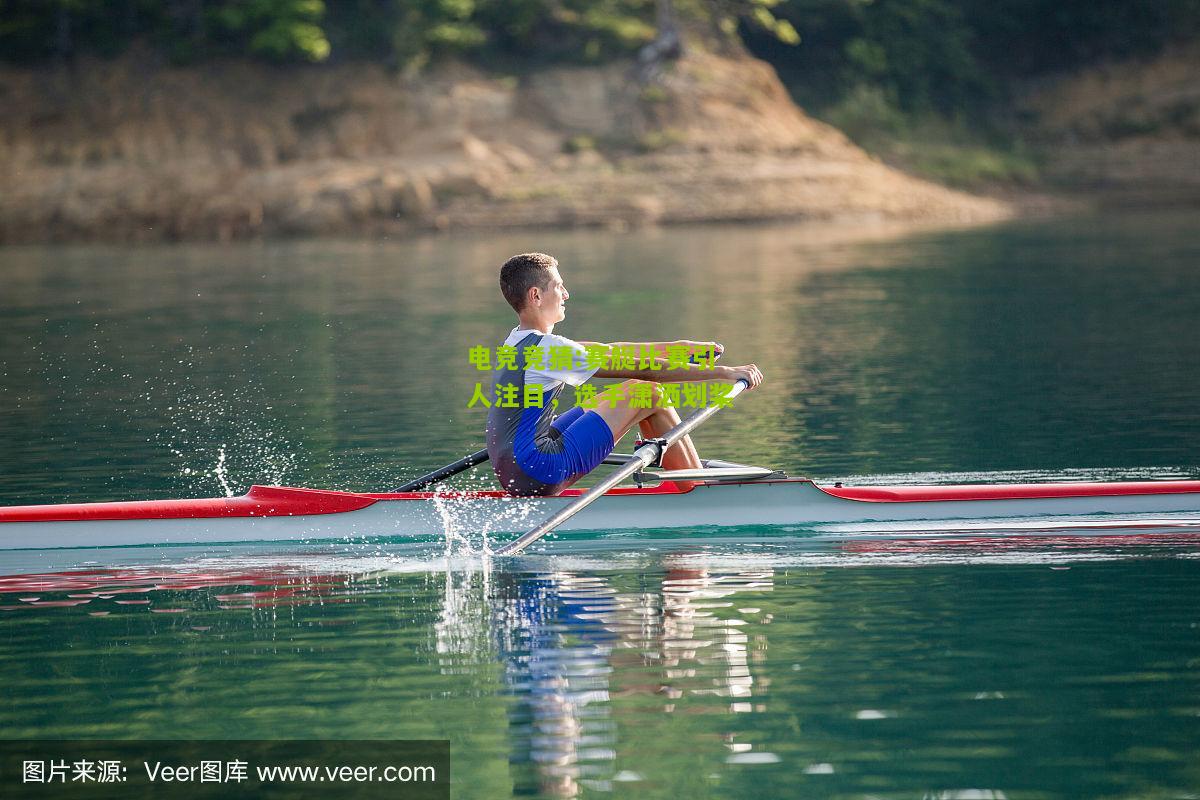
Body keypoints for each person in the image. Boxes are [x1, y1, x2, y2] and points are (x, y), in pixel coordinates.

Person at [485, 252, 763, 497]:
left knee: (625, 392)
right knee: (646, 391)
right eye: (558, 286)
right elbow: (648, 371)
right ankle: (696, 490)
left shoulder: (518, 342)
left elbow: (611, 350)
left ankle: (683, 471)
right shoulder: (548, 348)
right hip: (541, 469)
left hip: (517, 470)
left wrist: (679, 349)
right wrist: (727, 372)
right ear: (536, 296)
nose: (566, 294)